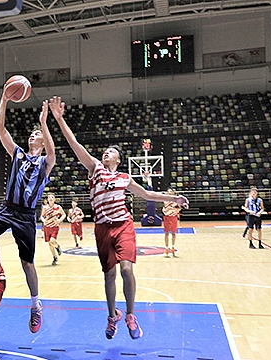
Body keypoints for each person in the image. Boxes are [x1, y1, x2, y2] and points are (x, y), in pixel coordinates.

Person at [50, 96, 189, 340]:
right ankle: (112, 316)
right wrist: (60, 119)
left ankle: (131, 316)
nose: (106, 152)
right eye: (106, 150)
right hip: (102, 227)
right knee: (109, 274)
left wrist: (174, 199)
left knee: (126, 269)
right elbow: (74, 144)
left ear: (118, 159)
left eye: (111, 151)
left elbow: (146, 194)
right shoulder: (94, 168)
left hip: (123, 225)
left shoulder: (125, 177)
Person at [0, 93, 56, 334]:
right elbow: (0, 127)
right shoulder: (17, 154)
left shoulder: (46, 162)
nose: (32, 136)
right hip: (7, 209)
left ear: (44, 142)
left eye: (37, 135)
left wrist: (44, 123)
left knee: (28, 264)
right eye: (32, 133)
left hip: (26, 215)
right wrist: (4, 99)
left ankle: (36, 306)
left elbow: (53, 150)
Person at [40, 193, 66, 265]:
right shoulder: (45, 207)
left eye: (52, 197)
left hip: (55, 227)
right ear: (47, 199)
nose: (51, 198)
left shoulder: (58, 207)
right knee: (50, 244)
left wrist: (59, 220)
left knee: (52, 241)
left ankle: (58, 247)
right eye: (49, 197)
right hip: (47, 227)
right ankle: (54, 257)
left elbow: (64, 214)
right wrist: (44, 220)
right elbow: (41, 216)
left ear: (54, 199)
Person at [162, 189, 181, 258]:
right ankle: (166, 248)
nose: (169, 193)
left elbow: (179, 208)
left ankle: (173, 247)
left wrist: (176, 209)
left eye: (171, 191)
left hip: (173, 217)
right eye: (168, 191)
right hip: (167, 217)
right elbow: (165, 207)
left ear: (173, 193)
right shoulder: (165, 200)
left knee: (173, 233)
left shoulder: (176, 200)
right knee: (166, 233)